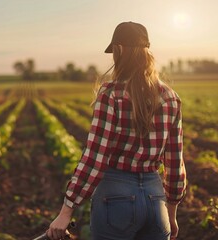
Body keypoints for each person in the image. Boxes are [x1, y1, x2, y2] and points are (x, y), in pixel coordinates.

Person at [46, 22, 187, 240]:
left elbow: (95, 157)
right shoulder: (170, 97)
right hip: (154, 199)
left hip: (115, 199)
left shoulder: (111, 94)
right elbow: (175, 162)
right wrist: (171, 212)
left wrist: (66, 211)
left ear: (119, 50)